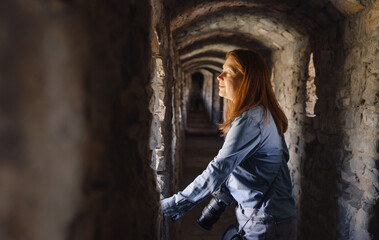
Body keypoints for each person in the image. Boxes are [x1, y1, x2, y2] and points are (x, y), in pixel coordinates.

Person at [161, 49, 296, 240]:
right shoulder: (264, 113)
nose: (219, 76)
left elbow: (218, 169)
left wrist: (173, 204)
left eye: (229, 72)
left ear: (247, 80)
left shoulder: (250, 120)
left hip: (265, 222)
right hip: (272, 217)